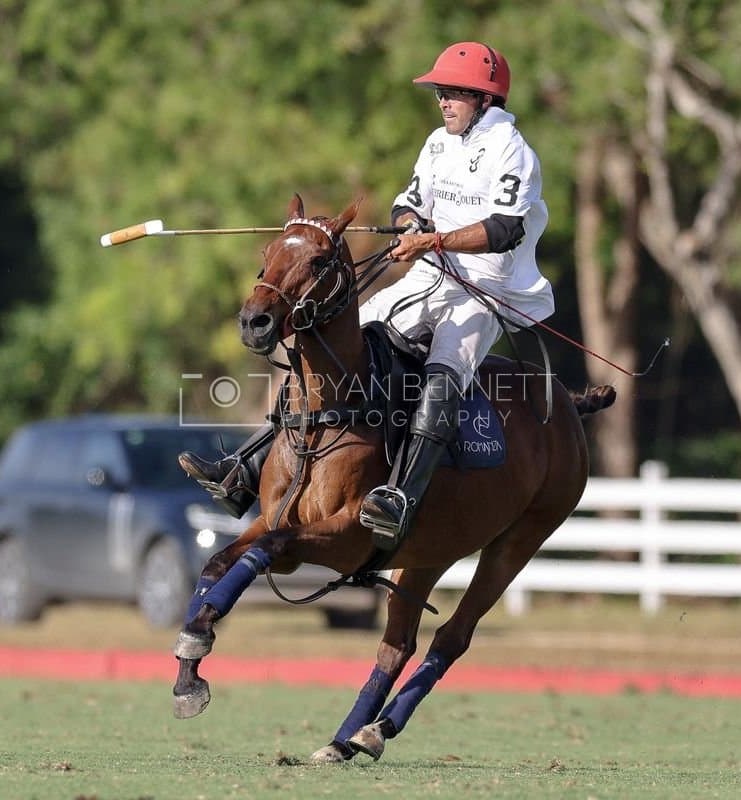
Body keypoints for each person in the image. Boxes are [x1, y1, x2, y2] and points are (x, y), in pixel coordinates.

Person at [179, 42, 556, 545]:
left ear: (485, 100)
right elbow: (408, 202)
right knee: (342, 344)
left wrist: (433, 239)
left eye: (454, 94)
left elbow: (507, 228)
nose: (442, 101)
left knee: (444, 373)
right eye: (440, 92)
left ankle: (400, 496)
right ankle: (244, 469)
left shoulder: (512, 150)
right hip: (430, 275)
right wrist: (410, 225)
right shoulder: (438, 143)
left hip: (484, 286)